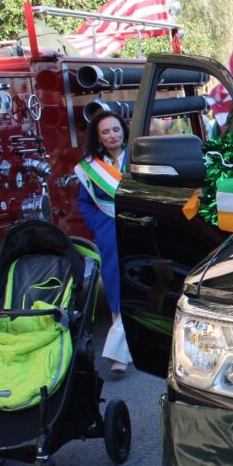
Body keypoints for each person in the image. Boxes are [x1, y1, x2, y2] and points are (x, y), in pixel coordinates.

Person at [74, 113, 133, 378]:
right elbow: (84, 202)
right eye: (105, 132)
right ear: (98, 137)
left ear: (124, 130)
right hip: (109, 230)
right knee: (116, 284)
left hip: (140, 226)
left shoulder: (138, 157)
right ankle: (122, 352)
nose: (112, 135)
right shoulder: (90, 168)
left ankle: (121, 351)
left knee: (141, 281)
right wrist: (99, 223)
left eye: (116, 129)